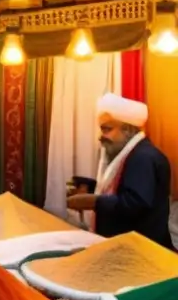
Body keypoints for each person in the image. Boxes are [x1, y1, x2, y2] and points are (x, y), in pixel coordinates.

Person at [67, 93, 172, 249]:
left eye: (107, 129)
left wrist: (92, 201)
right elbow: (121, 187)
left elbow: (134, 203)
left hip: (142, 254)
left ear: (128, 130)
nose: (100, 137)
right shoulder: (134, 153)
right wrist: (89, 188)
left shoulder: (143, 157)